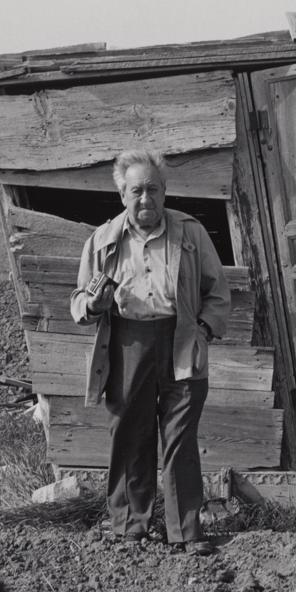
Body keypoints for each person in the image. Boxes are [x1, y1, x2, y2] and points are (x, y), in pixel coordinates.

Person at [71, 149, 230, 554]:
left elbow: (218, 292)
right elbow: (78, 301)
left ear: (165, 191)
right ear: (122, 194)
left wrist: (204, 331)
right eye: (137, 191)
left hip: (180, 342)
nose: (146, 200)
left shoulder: (190, 234)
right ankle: (130, 527)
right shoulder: (103, 241)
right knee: (130, 435)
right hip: (127, 344)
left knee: (179, 439)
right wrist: (93, 304)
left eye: (154, 190)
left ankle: (186, 532)